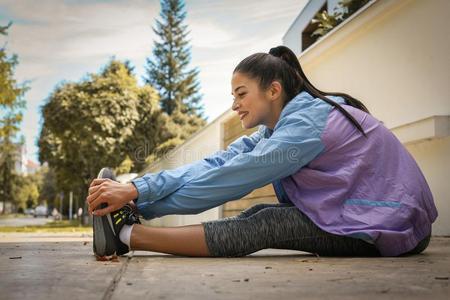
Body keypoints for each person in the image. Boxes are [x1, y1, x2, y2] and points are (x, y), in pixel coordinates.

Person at [86, 45, 437, 258]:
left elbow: (230, 179)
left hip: (391, 227)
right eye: (233, 96)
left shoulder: (305, 127)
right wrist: (139, 193)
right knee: (257, 212)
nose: (235, 104)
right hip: (365, 216)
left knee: (267, 223)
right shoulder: (281, 126)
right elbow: (219, 163)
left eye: (241, 94)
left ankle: (126, 236)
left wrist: (136, 195)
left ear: (273, 90)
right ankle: (131, 224)